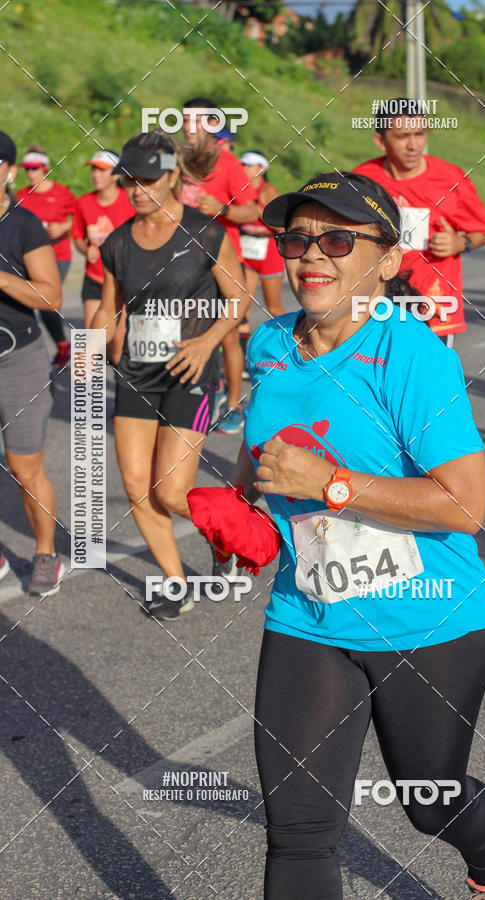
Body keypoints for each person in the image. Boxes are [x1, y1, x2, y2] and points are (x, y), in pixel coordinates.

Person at [224, 170, 485, 898]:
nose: (311, 255)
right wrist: (238, 510)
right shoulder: (269, 342)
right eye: (296, 238)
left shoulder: (413, 355)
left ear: (388, 261)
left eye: (336, 238)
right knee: (298, 835)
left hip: (428, 617)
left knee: (429, 802)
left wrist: (328, 485)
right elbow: (261, 462)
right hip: (311, 616)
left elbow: (464, 506)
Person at [91, 130, 250, 621]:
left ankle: (232, 536)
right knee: (137, 484)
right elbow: (110, 309)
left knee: (172, 491)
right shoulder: (117, 242)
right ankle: (175, 583)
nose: (137, 189)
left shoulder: (206, 233)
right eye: (130, 180)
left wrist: (206, 342)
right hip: (137, 372)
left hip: (190, 372)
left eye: (148, 179)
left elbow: (240, 299)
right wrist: (88, 346)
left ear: (174, 176)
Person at [353, 98, 485, 347]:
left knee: (428, 380)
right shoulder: (363, 179)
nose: (414, 145)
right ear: (380, 141)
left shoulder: (450, 177)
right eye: (403, 136)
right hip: (378, 298)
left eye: (419, 133)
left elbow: (482, 231)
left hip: (433, 302)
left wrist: (461, 243)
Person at [0, 131, 65, 595]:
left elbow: (50, 293)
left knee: (25, 469)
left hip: (17, 361)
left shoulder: (24, 225)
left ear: (6, 171)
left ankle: (46, 553)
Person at [180, 96, 259, 433]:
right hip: (183, 261)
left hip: (222, 262)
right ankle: (184, 395)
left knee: (227, 337)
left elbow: (252, 211)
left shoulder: (228, 164)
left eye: (195, 121)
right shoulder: (177, 159)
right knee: (184, 330)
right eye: (184, 120)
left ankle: (232, 404)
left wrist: (221, 208)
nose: (187, 127)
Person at [71, 149, 134, 364]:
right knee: (91, 343)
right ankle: (88, 396)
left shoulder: (130, 201)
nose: (95, 175)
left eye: (102, 170)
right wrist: (84, 249)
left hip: (123, 280)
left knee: (117, 347)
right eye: (94, 170)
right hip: (95, 278)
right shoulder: (84, 203)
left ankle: (122, 395)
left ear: (116, 175)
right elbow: (78, 237)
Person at [16, 144, 76, 367]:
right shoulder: (22, 195)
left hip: (58, 254)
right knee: (28, 302)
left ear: (45, 168)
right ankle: (60, 345)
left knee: (45, 299)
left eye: (34, 168)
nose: (30, 173)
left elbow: (78, 217)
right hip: (30, 258)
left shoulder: (61, 193)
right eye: (27, 169)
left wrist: (64, 227)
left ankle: (61, 346)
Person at [240, 151, 286, 320]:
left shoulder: (268, 190)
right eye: (242, 164)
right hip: (247, 250)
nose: (242, 167)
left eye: (247, 165)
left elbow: (281, 225)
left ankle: (298, 341)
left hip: (268, 252)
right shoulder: (240, 189)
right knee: (242, 307)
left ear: (261, 168)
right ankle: (245, 346)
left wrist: (256, 209)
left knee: (274, 308)